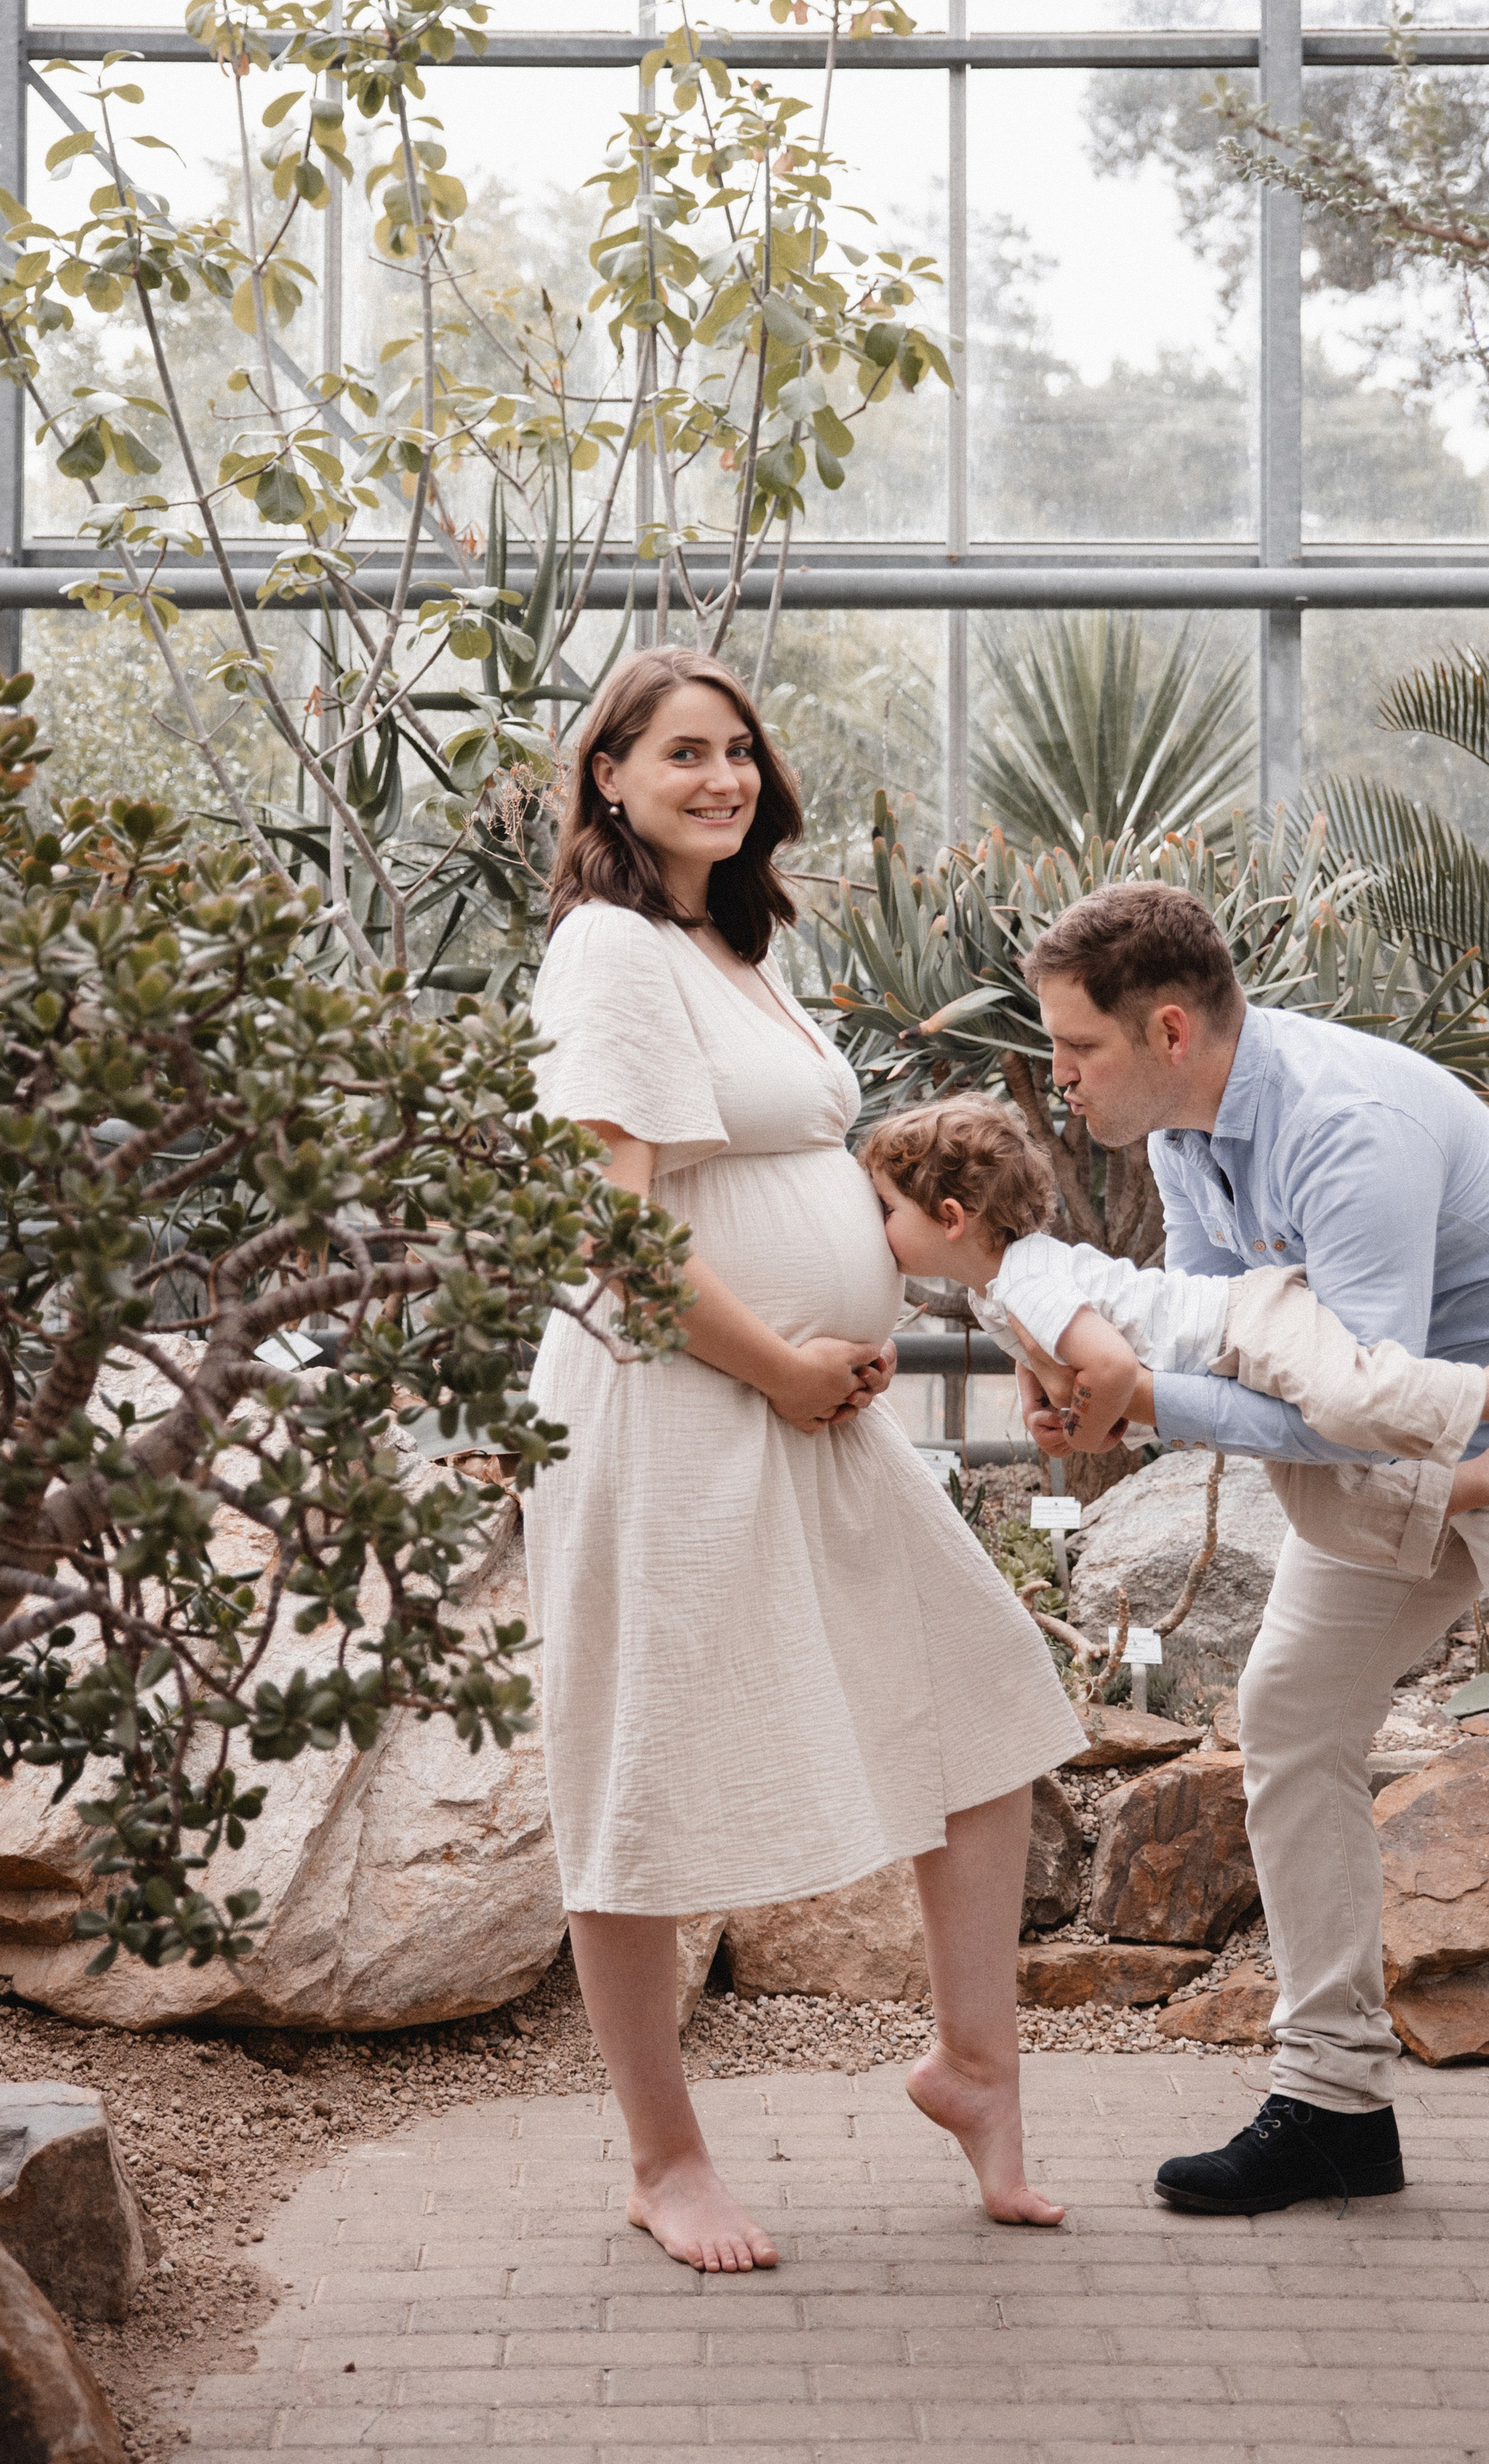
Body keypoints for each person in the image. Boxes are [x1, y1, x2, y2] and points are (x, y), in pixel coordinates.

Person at [1014, 880, 1489, 2296]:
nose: (1058, 1077)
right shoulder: (1181, 1132)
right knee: (1291, 1720)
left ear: (1167, 1029)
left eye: (1075, 1047)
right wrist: (1107, 1386)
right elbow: (1235, 1345)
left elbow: (1354, 1405)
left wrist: (1141, 1402)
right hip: (1430, 1450)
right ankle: (1333, 2104)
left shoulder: (1344, 1126)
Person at [523, 646, 1086, 2277]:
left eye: (738, 752)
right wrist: (775, 1359)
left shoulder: (732, 943)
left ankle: (973, 2068)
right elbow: (603, 1222)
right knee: (638, 1766)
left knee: (979, 1691)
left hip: (809, 1407)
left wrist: (881, 1308)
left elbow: (800, 1173)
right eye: (681, 752)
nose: (721, 778)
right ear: (609, 776)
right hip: (671, 1404)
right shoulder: (610, 949)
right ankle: (663, 2158)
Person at [861, 1091, 1489, 1546]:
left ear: (950, 1218)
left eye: (888, 1208)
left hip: (1243, 1322)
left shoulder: (1025, 1278)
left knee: (1348, 1398)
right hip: (1221, 1362)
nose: (876, 1224)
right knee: (1323, 1514)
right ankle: (1483, 1480)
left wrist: (1081, 1432)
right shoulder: (997, 1291)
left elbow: (1109, 1367)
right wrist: (1050, 1410)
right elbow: (1056, 1362)